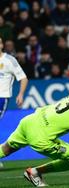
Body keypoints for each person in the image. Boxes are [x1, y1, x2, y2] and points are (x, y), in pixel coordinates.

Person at [0, 37, 28, 168]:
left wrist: (21, 94)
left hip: (1, 97)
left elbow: (23, 78)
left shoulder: (9, 60)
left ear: (1, 45)